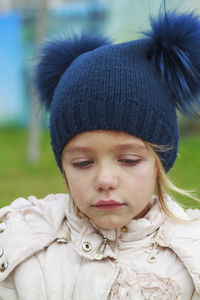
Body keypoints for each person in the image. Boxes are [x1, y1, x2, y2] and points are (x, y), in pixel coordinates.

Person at [0, 9, 200, 300]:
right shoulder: (19, 242)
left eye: (128, 160)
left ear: (160, 161)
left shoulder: (192, 256)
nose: (105, 179)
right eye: (83, 162)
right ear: (63, 165)